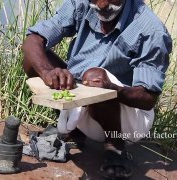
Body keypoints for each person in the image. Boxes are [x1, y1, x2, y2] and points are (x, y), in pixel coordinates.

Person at [22, 0, 172, 179]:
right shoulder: (82, 4)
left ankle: (114, 146)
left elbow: (148, 99)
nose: (101, 5)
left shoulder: (150, 29)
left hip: (128, 121)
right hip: (85, 103)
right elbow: (33, 40)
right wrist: (47, 72)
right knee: (34, 59)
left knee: (93, 76)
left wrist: (113, 89)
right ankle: (74, 132)